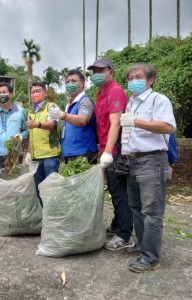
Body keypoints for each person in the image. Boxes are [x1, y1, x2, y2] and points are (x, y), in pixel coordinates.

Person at [120, 63, 176, 273]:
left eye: (139, 77)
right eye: (130, 78)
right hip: (132, 160)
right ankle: (142, 245)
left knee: (152, 211)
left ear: (151, 80)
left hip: (152, 160)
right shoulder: (131, 103)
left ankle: (150, 257)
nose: (134, 81)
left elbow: (167, 126)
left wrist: (137, 121)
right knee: (136, 207)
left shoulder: (158, 100)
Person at [87, 58, 134, 251]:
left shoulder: (115, 90)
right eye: (94, 71)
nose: (96, 74)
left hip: (115, 150)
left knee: (119, 192)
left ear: (110, 73)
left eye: (100, 70)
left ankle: (124, 235)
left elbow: (116, 123)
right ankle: (117, 223)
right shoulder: (100, 93)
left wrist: (108, 151)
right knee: (114, 191)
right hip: (106, 148)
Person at [49, 69, 98, 163]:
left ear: (83, 84)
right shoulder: (69, 103)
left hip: (83, 153)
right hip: (70, 153)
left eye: (74, 81)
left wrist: (63, 115)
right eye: (67, 82)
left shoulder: (85, 101)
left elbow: (82, 120)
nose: (70, 84)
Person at [25, 82, 61, 205]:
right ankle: (45, 218)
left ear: (45, 93)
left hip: (49, 156)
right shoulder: (31, 112)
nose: (35, 94)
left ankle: (53, 219)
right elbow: (31, 134)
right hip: (36, 158)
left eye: (38, 91)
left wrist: (37, 124)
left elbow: (52, 124)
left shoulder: (51, 106)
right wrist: (28, 153)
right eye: (33, 92)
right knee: (39, 190)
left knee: (51, 190)